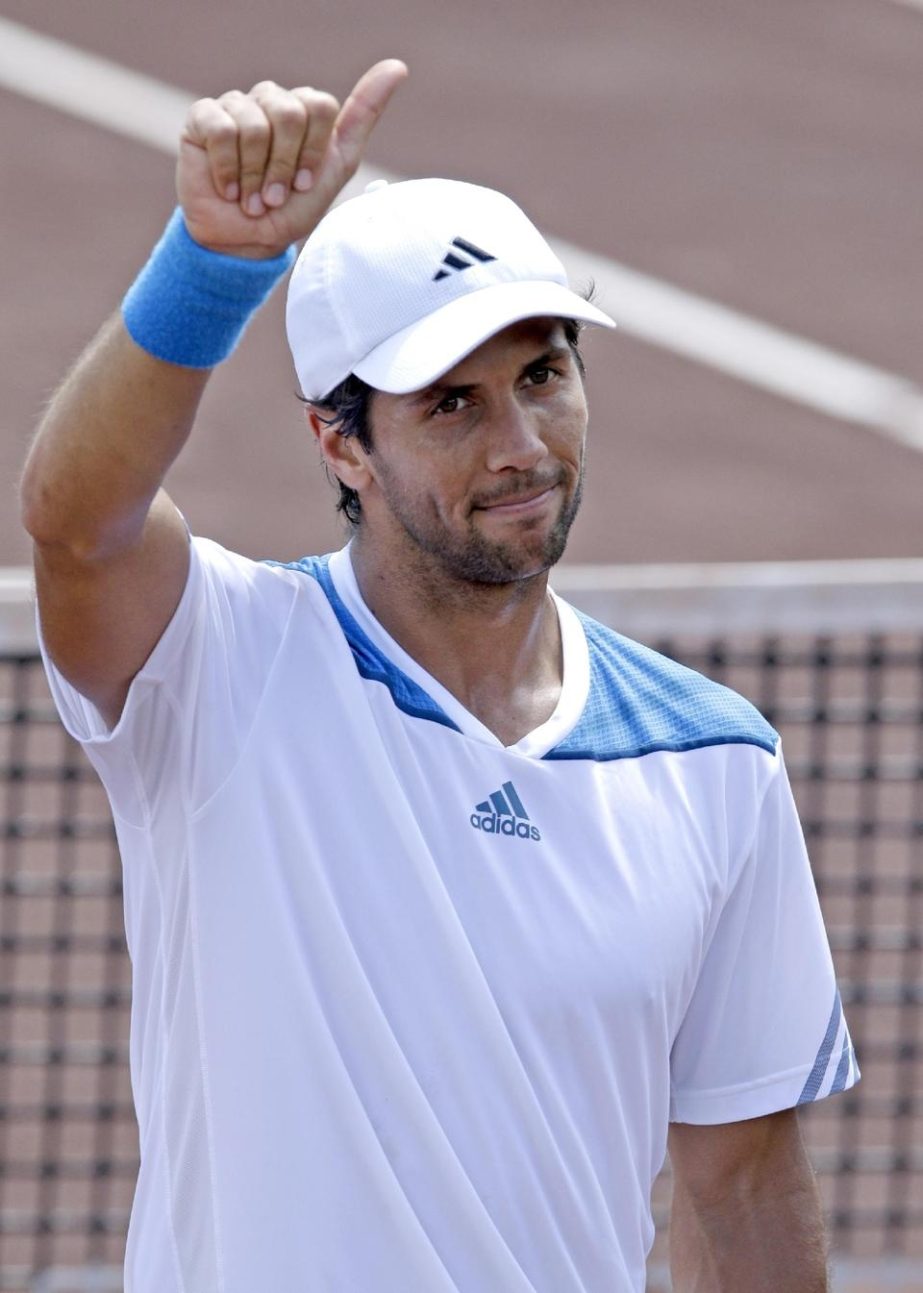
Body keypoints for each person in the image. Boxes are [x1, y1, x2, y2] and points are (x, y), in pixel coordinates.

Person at [20, 59, 858, 1293]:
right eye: (452, 405)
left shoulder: (712, 762)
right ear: (339, 443)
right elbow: (76, 524)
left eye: (542, 375)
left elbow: (739, 1188)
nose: (521, 447)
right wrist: (210, 268)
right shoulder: (218, 664)